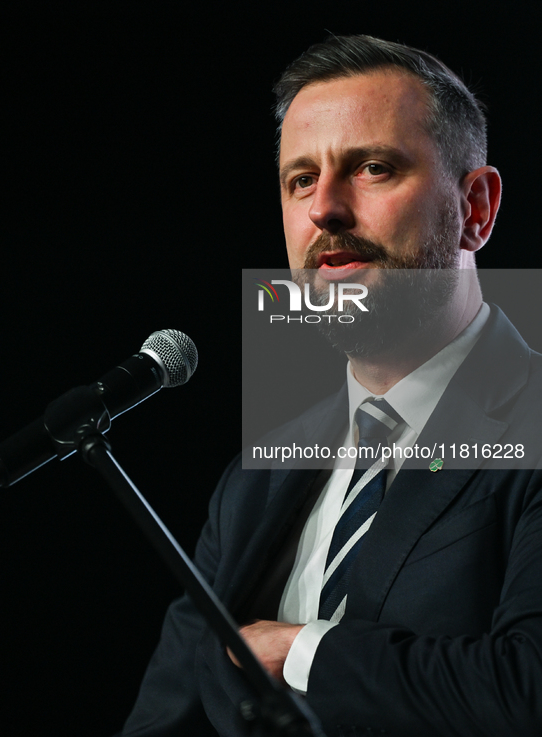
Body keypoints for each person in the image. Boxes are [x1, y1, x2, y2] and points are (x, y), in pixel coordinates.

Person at [118, 35, 542, 736]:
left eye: (372, 167)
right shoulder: (257, 475)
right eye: (299, 180)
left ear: (475, 209)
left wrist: (300, 651)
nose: (324, 210)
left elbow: (526, 691)